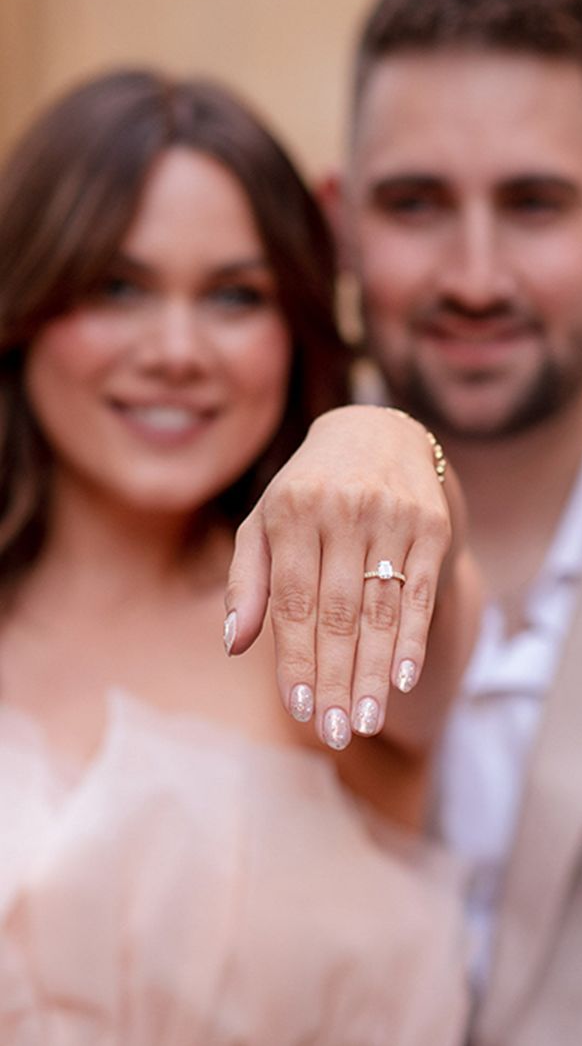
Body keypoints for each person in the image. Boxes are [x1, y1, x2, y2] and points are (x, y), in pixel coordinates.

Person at [0, 68, 478, 1043]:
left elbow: (442, 575)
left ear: (293, 325)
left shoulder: (335, 615)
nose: (176, 349)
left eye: (233, 295)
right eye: (117, 286)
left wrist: (391, 441)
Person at [317, 0, 582, 1042]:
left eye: (532, 204)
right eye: (415, 204)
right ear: (338, 222)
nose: (477, 277)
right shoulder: (221, 534)